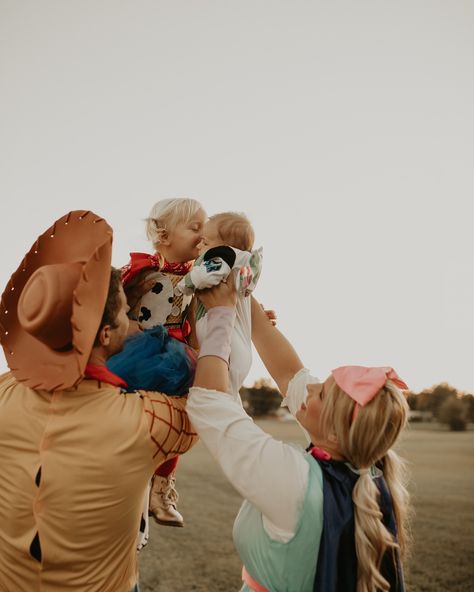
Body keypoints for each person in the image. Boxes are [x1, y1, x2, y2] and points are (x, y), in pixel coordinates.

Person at [0, 210, 198, 592]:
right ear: (106, 335)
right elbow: (214, 402)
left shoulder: (4, 393)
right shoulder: (148, 420)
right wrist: (226, 314)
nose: (134, 320)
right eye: (126, 312)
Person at [188, 277, 411, 592]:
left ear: (334, 433)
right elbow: (289, 373)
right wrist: (240, 284)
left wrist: (222, 316)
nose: (310, 387)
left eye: (320, 394)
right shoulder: (370, 476)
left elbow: (210, 402)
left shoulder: (294, 480)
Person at [109, 197, 206, 529]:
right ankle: (121, 480)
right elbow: (110, 303)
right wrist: (126, 322)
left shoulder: (197, 280)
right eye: (195, 228)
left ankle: (161, 488)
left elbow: (195, 319)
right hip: (139, 351)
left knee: (176, 419)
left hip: (177, 355)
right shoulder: (142, 270)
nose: (202, 235)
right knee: (129, 418)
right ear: (163, 235)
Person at [178, 211, 263, 396]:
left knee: (214, 397)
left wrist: (185, 284)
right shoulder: (242, 267)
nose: (199, 245)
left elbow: (206, 276)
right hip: (238, 346)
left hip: (226, 344)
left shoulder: (223, 256)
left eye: (205, 242)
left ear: (226, 246)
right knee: (228, 396)